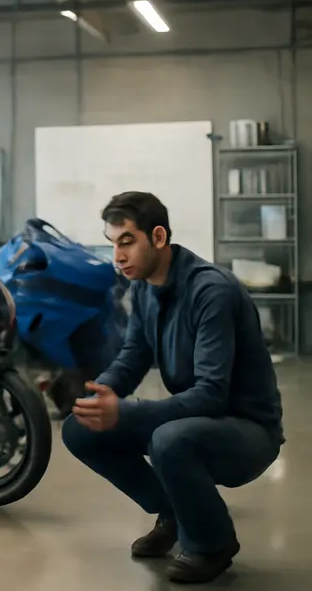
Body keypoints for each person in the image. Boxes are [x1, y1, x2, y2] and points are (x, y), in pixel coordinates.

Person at [61, 191, 284, 584]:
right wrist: (103, 393)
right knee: (80, 430)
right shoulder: (144, 289)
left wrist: (126, 412)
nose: (118, 256)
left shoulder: (211, 291)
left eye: (127, 241)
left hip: (247, 429)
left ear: (159, 237)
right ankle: (176, 514)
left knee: (170, 439)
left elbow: (212, 393)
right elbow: (134, 355)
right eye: (113, 243)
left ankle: (212, 544)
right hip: (198, 418)